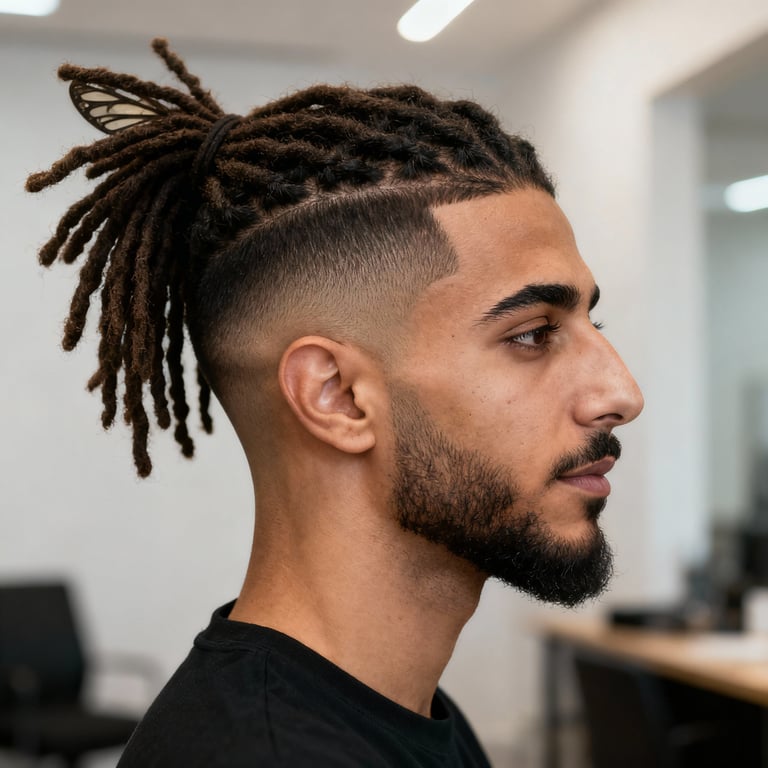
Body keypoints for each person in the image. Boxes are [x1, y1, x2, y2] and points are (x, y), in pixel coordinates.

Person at [27, 38, 643, 767]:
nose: (621, 394)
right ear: (338, 397)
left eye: (589, 324)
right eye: (535, 334)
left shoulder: (403, 712)